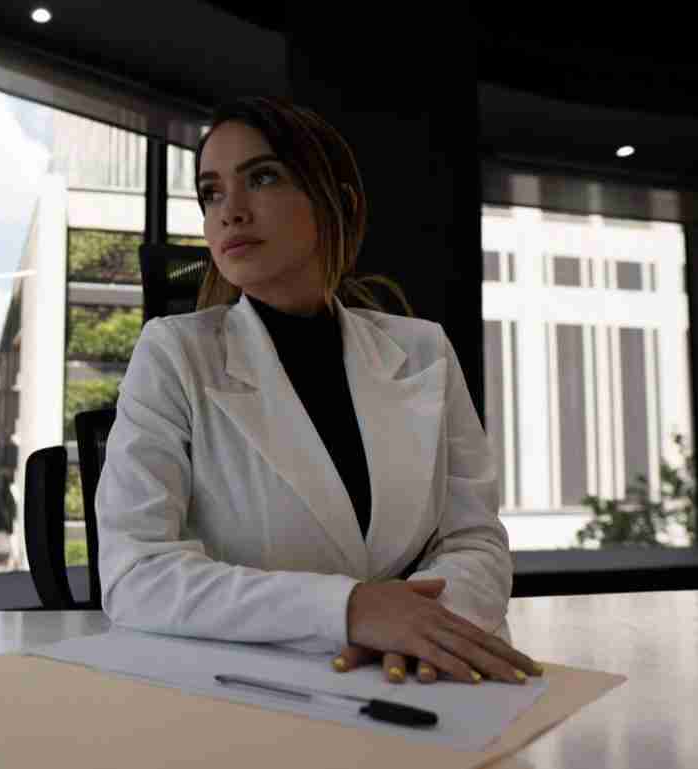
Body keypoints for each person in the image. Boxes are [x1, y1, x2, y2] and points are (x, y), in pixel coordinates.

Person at [95, 95, 543, 686]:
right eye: (211, 192)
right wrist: (349, 612)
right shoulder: (173, 353)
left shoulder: (423, 351)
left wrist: (423, 625)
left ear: (339, 203)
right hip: (242, 692)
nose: (230, 212)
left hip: (410, 682)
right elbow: (135, 574)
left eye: (262, 177)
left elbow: (475, 540)